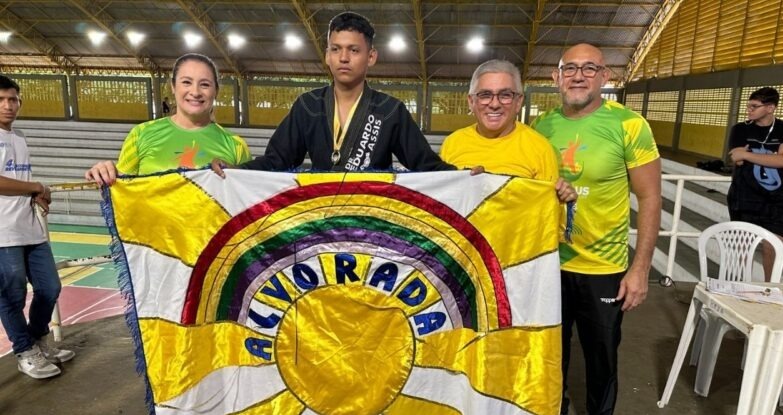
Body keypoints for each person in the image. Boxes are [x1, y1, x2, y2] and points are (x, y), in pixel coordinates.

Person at [531, 44, 662, 415]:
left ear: (605, 77)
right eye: (569, 68)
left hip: (603, 269)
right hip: (549, 265)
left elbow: (650, 199)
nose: (578, 75)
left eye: (589, 68)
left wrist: (639, 269)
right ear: (556, 77)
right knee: (550, 355)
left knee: (601, 360)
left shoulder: (629, 125)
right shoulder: (542, 126)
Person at [212, 11, 455, 176]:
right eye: (336, 49)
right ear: (327, 55)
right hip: (320, 222)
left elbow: (425, 164)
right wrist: (237, 170)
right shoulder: (307, 106)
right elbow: (277, 161)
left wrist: (465, 177)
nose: (344, 57)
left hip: (371, 223)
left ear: (371, 57)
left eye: (354, 50)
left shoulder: (390, 110)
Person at [0, 75, 76, 379]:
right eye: (2, 99)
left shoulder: (18, 138)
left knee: (50, 288)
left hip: (29, 227)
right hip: (3, 233)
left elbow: (18, 182)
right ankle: (24, 350)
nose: (9, 105)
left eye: (13, 99)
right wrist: (36, 186)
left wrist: (36, 194)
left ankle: (37, 338)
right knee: (11, 295)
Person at [85, 53, 251, 185]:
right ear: (173, 87)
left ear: (216, 91)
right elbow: (122, 189)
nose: (195, 91)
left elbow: (247, 204)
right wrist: (105, 172)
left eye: (205, 84)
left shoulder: (235, 145)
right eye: (186, 82)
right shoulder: (141, 134)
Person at [440, 59, 575, 202]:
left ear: (518, 102)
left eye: (505, 95)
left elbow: (546, 212)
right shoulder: (452, 143)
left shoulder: (540, 149)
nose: (494, 104)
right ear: (471, 102)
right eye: (485, 95)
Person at [727, 87, 783, 282]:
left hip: (776, 198)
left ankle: (771, 287)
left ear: (770, 108)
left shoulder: (782, 129)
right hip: (744, 195)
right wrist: (772, 156)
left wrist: (748, 154)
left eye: (754, 106)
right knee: (743, 244)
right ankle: (743, 285)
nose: (748, 110)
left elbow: (782, 162)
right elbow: (737, 158)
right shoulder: (740, 129)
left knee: (774, 245)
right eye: (748, 105)